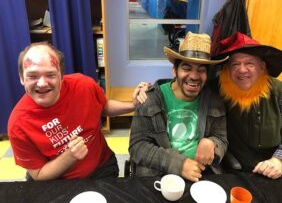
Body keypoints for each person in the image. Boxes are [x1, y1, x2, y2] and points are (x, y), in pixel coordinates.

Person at [8, 42, 149, 181]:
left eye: (50, 75)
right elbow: (39, 175)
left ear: (61, 76)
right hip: (57, 182)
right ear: (21, 78)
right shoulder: (18, 124)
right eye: (32, 76)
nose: (42, 83)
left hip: (102, 168)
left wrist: (134, 105)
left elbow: (104, 107)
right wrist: (70, 156)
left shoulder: (83, 85)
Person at [129, 32, 229, 182]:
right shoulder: (149, 99)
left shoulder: (214, 101)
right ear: (174, 70)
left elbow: (222, 139)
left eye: (201, 70)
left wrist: (213, 143)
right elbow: (137, 146)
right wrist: (177, 164)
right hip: (159, 174)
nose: (194, 76)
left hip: (201, 174)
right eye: (187, 68)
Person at [212, 32, 282, 179]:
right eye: (235, 64)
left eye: (249, 63)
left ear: (262, 67)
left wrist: (280, 160)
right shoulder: (216, 90)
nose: (242, 69)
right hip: (235, 169)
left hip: (275, 166)